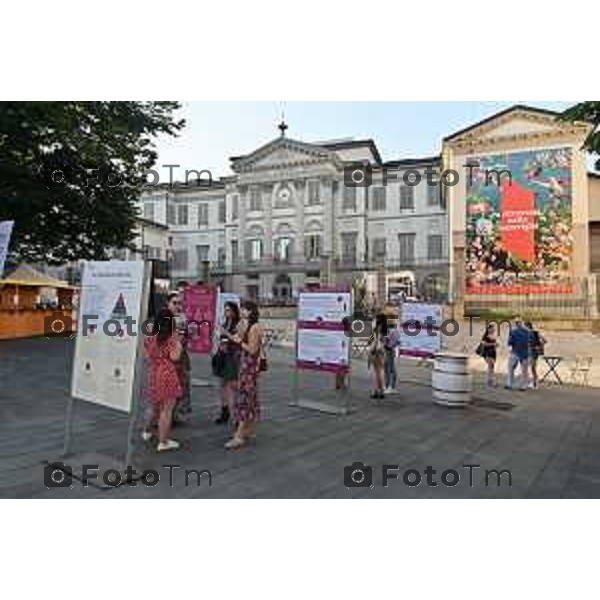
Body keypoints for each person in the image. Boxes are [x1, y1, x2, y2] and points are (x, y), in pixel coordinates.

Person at [224, 300, 264, 449]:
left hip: (248, 367)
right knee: (250, 398)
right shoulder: (252, 325)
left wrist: (240, 342)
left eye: (244, 310)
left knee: (244, 399)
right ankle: (249, 429)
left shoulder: (254, 327)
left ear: (250, 311)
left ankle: (239, 435)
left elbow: (252, 349)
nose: (241, 312)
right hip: (250, 367)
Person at [142, 309, 183, 451]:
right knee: (167, 409)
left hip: (153, 371)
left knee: (153, 406)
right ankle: (163, 442)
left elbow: (146, 354)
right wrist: (179, 343)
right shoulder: (172, 336)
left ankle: (146, 432)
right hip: (167, 373)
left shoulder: (149, 332)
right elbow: (175, 357)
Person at [167, 292, 192, 425]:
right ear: (168, 303)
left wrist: (189, 333)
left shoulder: (183, 318)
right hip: (168, 358)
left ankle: (174, 414)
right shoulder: (163, 318)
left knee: (181, 387)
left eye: (179, 303)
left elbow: (187, 337)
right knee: (168, 389)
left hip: (182, 357)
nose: (177, 306)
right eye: (174, 303)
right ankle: (163, 417)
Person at [214, 301, 241, 424]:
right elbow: (222, 338)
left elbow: (237, 340)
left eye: (229, 310)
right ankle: (224, 411)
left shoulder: (238, 324)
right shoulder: (225, 323)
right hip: (222, 355)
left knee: (232, 386)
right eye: (225, 310)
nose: (226, 312)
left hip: (232, 356)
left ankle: (235, 415)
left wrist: (226, 333)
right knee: (223, 384)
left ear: (234, 311)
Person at [505, 317, 532, 391]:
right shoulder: (528, 332)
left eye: (517, 322)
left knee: (511, 368)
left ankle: (509, 384)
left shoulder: (513, 331)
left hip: (515, 352)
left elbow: (510, 342)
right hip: (524, 352)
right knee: (524, 370)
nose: (517, 324)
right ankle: (523, 386)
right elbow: (530, 342)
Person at [368, 312, 388, 399]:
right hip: (382, 351)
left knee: (377, 372)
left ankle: (378, 391)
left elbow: (375, 340)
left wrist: (372, 349)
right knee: (380, 371)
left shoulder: (377, 328)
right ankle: (380, 390)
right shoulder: (385, 329)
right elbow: (384, 341)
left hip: (376, 350)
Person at [382, 303, 400, 393]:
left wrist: (389, 343)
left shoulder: (394, 329)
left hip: (390, 350)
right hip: (387, 349)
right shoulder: (389, 328)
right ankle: (387, 385)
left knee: (391, 368)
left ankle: (391, 387)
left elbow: (396, 341)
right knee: (386, 367)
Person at [525, 320, 546, 389]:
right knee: (532, 368)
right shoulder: (536, 332)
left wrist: (538, 346)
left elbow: (544, 341)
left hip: (532, 352)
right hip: (533, 352)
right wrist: (540, 346)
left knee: (532, 368)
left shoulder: (532, 333)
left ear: (527, 326)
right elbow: (545, 341)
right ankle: (533, 382)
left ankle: (534, 383)